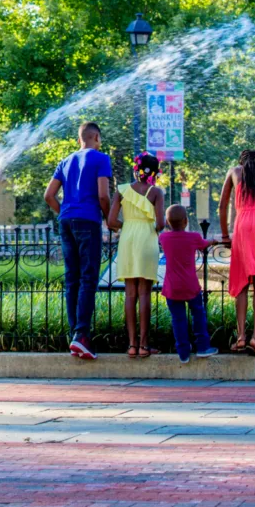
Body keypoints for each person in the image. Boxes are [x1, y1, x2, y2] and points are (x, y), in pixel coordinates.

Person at [44, 121, 112, 361]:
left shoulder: (65, 160)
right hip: (88, 221)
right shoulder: (101, 159)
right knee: (88, 277)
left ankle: (75, 334)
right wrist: (109, 218)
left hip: (66, 221)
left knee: (71, 278)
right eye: (100, 139)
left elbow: (48, 195)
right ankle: (81, 335)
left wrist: (64, 211)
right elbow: (103, 194)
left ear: (79, 138)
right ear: (95, 136)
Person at [219, 149, 255, 357]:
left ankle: (241, 336)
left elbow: (222, 205)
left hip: (243, 224)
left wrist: (226, 235)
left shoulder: (234, 171)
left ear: (241, 161)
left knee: (242, 281)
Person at [108, 152, 164, 358]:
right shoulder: (156, 192)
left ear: (136, 169)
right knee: (145, 293)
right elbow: (161, 223)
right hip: (147, 239)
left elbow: (111, 221)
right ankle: (144, 345)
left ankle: (131, 345)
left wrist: (129, 225)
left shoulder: (121, 190)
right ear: (155, 172)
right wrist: (147, 226)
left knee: (130, 293)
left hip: (128, 239)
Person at [159, 203, 218, 364]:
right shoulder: (193, 237)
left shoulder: (164, 238)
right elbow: (204, 244)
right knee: (198, 314)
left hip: (172, 287)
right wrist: (213, 241)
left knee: (178, 319)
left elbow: (161, 235)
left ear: (167, 222)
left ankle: (183, 352)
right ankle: (203, 346)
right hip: (191, 286)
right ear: (186, 221)